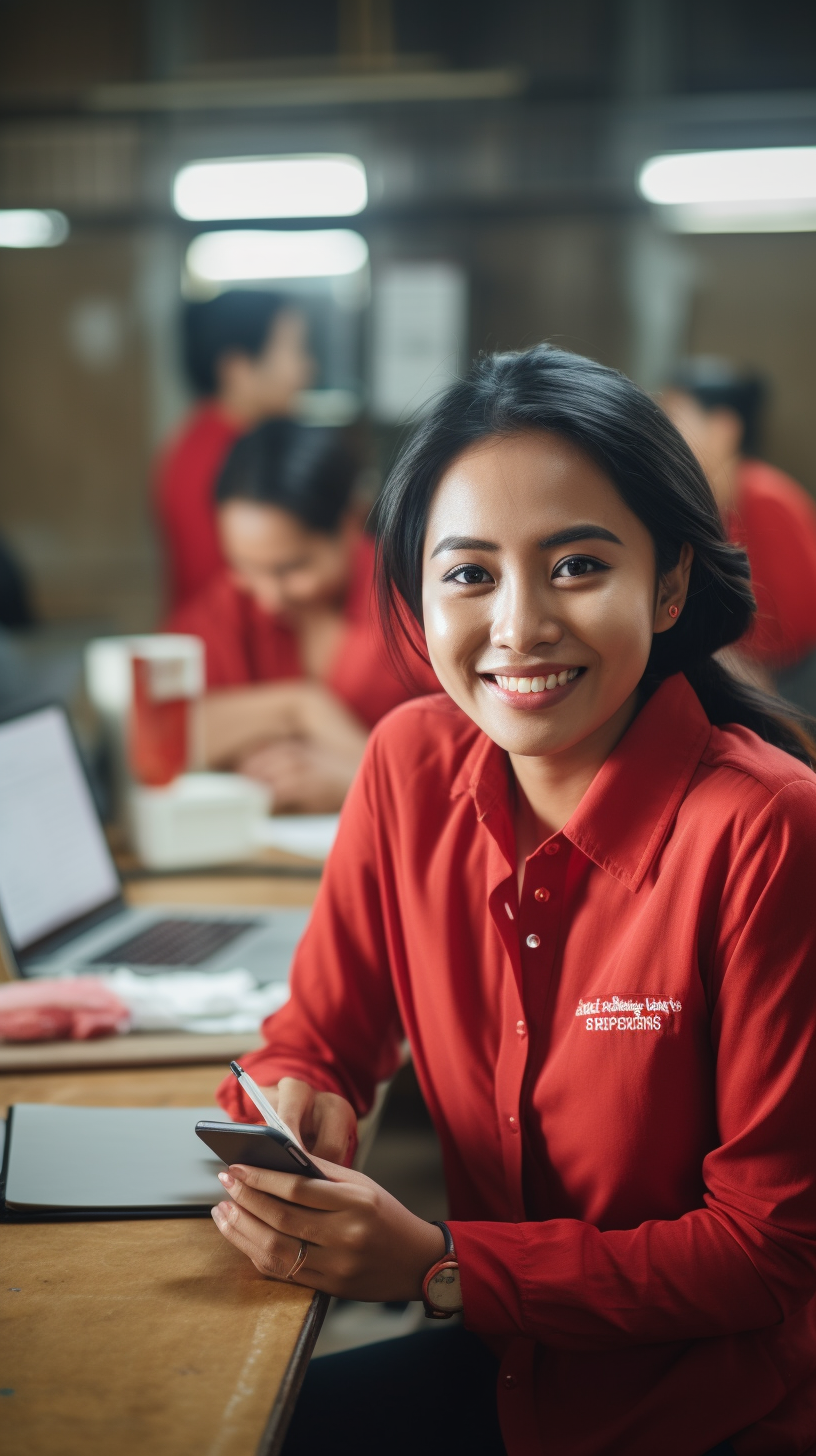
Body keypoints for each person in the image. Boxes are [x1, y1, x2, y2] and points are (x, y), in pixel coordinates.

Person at [210, 346, 816, 1456]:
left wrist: (440, 1267)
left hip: (708, 1414)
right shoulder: (406, 765)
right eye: (470, 572)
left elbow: (767, 1248)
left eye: (578, 565)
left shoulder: (767, 829)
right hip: (509, 1366)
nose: (519, 625)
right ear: (417, 592)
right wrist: (303, 1092)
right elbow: (323, 1031)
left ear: (670, 580)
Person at [167, 419, 438, 812]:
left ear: (351, 520)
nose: (268, 598)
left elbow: (486, 760)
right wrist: (298, 709)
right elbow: (163, 730)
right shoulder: (228, 603)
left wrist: (360, 783)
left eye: (291, 569)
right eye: (243, 567)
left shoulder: (415, 604)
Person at [661, 359, 816, 697]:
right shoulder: (701, 498)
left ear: (724, 429)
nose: (665, 433)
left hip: (792, 681)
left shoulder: (769, 498)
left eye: (675, 419)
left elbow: (800, 621)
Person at [155, 290, 314, 611]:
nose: (306, 369)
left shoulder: (194, 440)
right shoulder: (228, 458)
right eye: (294, 351)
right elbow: (223, 592)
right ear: (238, 369)